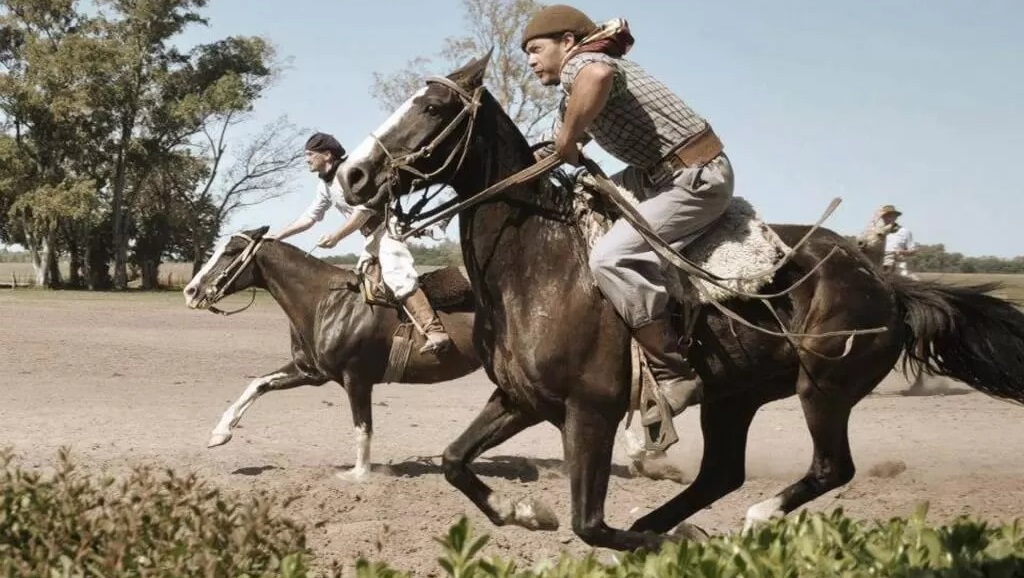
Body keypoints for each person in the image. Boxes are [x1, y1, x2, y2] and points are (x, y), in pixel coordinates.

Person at [521, 5, 734, 426]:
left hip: (695, 177)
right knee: (580, 202)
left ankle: (675, 372)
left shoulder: (584, 62)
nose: (530, 60)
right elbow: (562, 140)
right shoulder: (575, 84)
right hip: (654, 175)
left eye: (535, 49)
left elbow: (595, 79)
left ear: (566, 43)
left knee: (609, 257)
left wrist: (566, 140)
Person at [271, 132, 452, 353]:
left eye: (310, 154)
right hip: (372, 237)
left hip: (387, 229)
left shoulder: (352, 172)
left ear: (327, 155)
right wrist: (277, 236)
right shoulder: (324, 186)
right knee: (367, 283)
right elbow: (309, 218)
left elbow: (364, 213)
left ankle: (434, 331)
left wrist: (337, 236)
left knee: (396, 275)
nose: (306, 159)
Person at [878, 205, 918, 279]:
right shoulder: (875, 232)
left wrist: (903, 252)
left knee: (912, 281)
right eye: (885, 216)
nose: (888, 218)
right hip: (878, 264)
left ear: (895, 217)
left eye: (890, 215)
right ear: (882, 217)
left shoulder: (904, 231)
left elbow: (913, 250)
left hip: (898, 265)